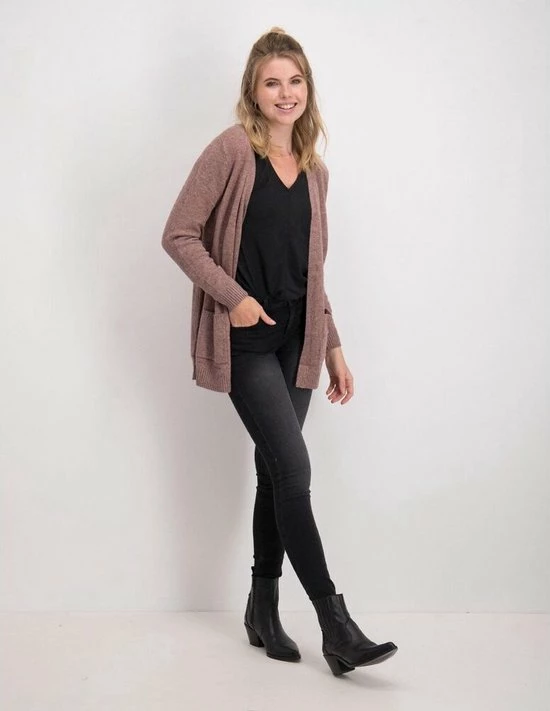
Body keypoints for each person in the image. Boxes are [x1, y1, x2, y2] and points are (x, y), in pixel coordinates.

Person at [161, 26, 398, 676]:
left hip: (298, 338)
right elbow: (179, 234)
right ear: (253, 90)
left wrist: (334, 347)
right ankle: (336, 625)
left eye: (295, 81)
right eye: (272, 82)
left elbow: (312, 272)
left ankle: (261, 609)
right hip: (245, 339)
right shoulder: (233, 149)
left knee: (274, 471)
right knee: (294, 471)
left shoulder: (316, 172)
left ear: (307, 89)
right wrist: (233, 297)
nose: (285, 92)